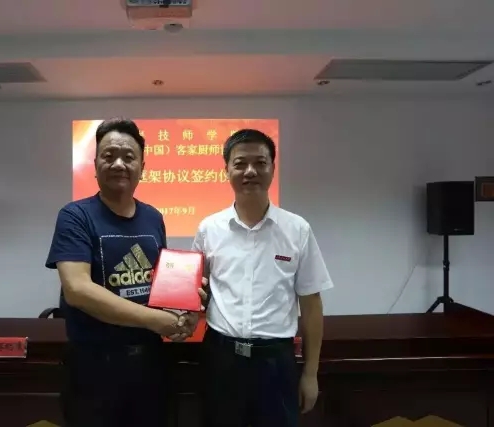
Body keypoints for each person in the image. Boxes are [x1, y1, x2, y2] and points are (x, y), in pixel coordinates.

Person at [45, 117, 197, 427]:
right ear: (95, 164)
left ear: (142, 166)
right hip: (95, 368)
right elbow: (77, 290)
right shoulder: (76, 216)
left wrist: (188, 309)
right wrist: (156, 320)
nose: (118, 164)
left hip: (151, 364)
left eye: (128, 157)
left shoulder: (153, 217)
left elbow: (163, 285)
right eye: (109, 155)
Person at [192, 129, 334, 427]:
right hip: (222, 357)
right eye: (240, 163)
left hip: (276, 361)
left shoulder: (297, 229)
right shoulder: (209, 229)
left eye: (260, 162)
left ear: (272, 168)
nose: (250, 171)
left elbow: (311, 304)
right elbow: (195, 292)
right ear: (226, 170)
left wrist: (310, 374)